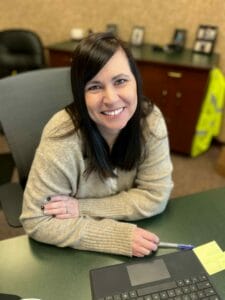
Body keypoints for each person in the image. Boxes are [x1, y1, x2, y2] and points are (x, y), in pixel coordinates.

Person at [20, 32, 173, 257]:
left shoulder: (150, 120)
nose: (110, 98)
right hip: (70, 256)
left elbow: (155, 196)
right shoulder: (61, 134)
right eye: (94, 87)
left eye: (120, 81)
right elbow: (37, 219)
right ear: (80, 94)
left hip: (91, 228)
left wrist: (82, 207)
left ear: (136, 82)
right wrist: (115, 236)